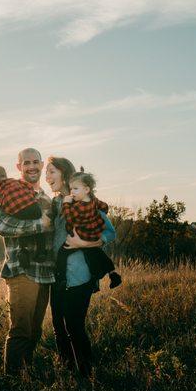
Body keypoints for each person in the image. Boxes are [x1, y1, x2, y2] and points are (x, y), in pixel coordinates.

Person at [45, 157, 117, 377]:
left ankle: (87, 375)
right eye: (46, 173)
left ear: (65, 174)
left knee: (75, 327)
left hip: (79, 275)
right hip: (56, 275)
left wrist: (82, 243)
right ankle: (68, 373)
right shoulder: (57, 202)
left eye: (51, 172)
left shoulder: (85, 202)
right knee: (58, 327)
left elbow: (109, 233)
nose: (47, 177)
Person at [0, 148, 53, 376]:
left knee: (35, 331)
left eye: (35, 162)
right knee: (20, 330)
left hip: (46, 272)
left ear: (41, 165)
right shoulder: (10, 192)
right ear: (19, 167)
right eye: (26, 162)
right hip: (21, 271)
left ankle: (26, 375)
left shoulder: (47, 198)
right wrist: (41, 225)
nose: (32, 166)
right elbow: (3, 226)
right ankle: (12, 382)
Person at [55, 169, 122, 291]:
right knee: (97, 254)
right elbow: (103, 206)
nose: (72, 192)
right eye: (71, 189)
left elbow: (69, 217)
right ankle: (112, 274)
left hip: (79, 236)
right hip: (92, 236)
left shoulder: (79, 206)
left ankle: (61, 278)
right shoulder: (94, 202)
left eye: (75, 189)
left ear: (86, 190)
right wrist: (102, 212)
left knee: (62, 254)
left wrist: (66, 204)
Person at [0, 165, 49, 265]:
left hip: (18, 211)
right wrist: (31, 198)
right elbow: (29, 187)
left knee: (21, 229)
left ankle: (23, 251)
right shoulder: (16, 181)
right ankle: (41, 251)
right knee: (39, 231)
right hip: (34, 206)